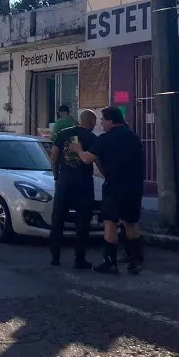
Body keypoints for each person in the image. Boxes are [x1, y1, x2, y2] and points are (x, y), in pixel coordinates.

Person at [70, 106, 146, 275]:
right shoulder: (133, 136)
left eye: (103, 120)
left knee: (110, 223)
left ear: (111, 121)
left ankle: (109, 262)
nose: (101, 124)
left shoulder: (106, 138)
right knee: (130, 222)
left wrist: (78, 150)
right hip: (135, 185)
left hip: (115, 186)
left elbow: (88, 159)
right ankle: (136, 259)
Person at [49, 109, 98, 269]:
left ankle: (55, 257)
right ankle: (79, 258)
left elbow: (54, 156)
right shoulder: (92, 138)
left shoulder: (63, 133)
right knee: (83, 222)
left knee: (58, 219)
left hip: (65, 182)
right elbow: (96, 160)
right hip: (83, 184)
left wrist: (56, 176)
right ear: (91, 123)